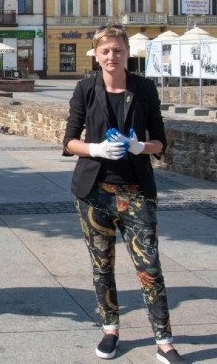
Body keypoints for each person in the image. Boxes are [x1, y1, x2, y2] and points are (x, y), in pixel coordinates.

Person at [62, 25, 185, 364]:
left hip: (136, 192)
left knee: (150, 267)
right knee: (102, 267)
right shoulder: (86, 88)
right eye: (105, 51)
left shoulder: (144, 88)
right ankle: (110, 328)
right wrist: (95, 149)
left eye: (117, 50)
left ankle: (164, 340)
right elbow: (68, 140)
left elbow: (161, 141)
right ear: (96, 54)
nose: (112, 56)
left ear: (126, 53)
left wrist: (140, 146)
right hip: (94, 193)